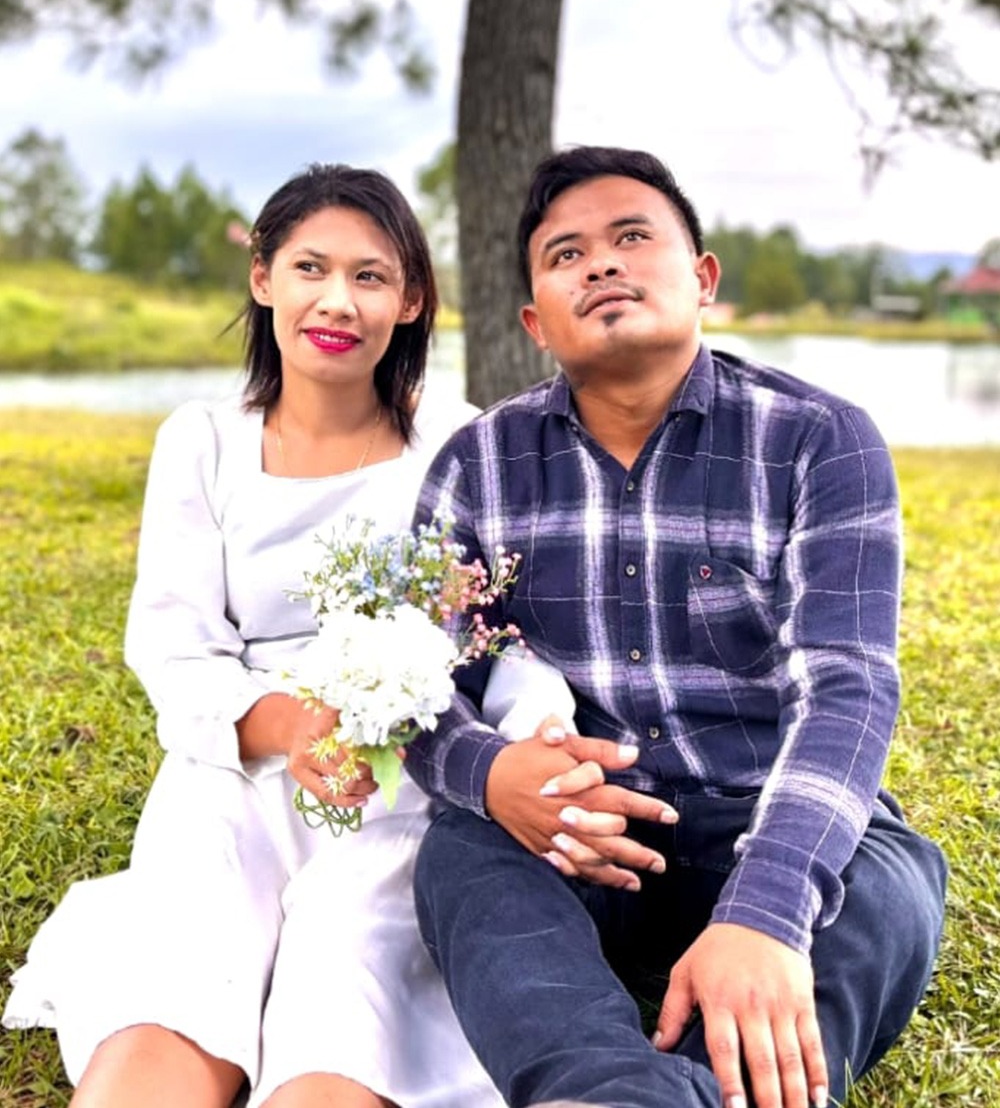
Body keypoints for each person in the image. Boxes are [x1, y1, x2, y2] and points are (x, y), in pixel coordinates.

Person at [3, 162, 575, 1108]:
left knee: (345, 983)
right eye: (311, 268)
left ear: (410, 300)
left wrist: (533, 744)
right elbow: (175, 644)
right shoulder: (203, 440)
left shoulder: (459, 442)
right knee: (182, 977)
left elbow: (505, 634)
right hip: (236, 770)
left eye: (370, 276)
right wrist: (289, 727)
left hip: (399, 778)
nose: (337, 301)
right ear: (263, 277)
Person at [405, 145, 948, 1108]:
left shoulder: (819, 438)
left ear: (702, 278)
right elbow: (416, 684)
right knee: (464, 855)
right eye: (567, 255)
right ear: (535, 321)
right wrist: (489, 773)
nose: (603, 264)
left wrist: (769, 909)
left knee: (888, 884)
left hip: (764, 811)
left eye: (632, 236)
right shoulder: (476, 466)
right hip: (583, 831)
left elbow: (849, 688)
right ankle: (606, 1089)